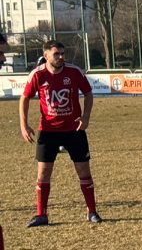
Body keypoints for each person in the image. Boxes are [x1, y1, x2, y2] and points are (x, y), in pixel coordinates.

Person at [19, 40, 101, 226]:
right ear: (46, 55)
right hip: (48, 131)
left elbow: (88, 93)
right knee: (43, 173)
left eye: (63, 53)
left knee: (83, 171)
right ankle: (41, 215)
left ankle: (92, 211)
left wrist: (85, 117)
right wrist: (24, 125)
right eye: (57, 54)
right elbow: (25, 98)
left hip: (74, 130)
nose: (61, 57)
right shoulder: (38, 74)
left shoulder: (73, 72)